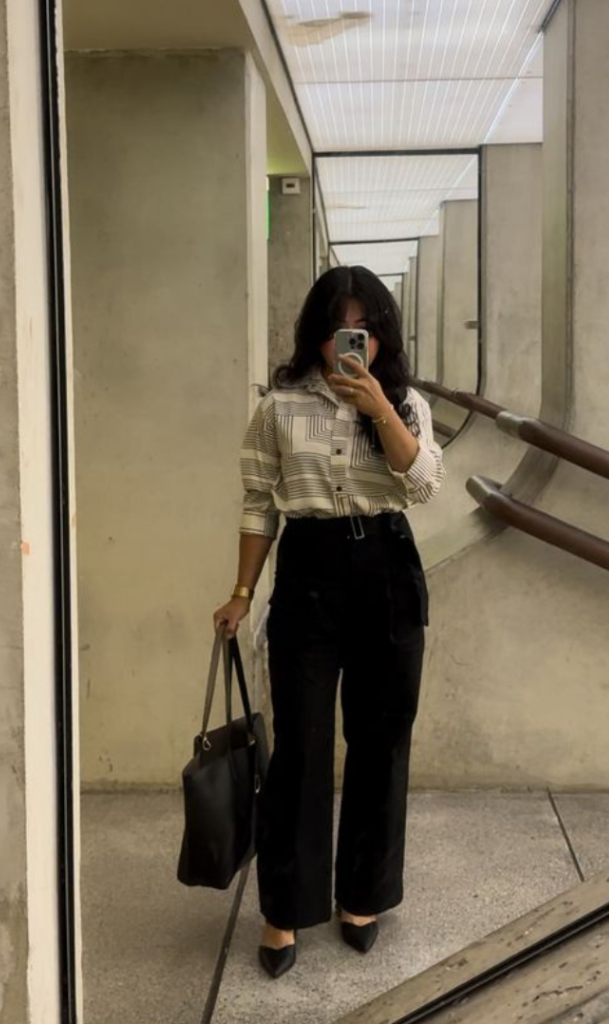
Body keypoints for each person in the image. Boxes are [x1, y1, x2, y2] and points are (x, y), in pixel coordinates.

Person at [212, 265, 444, 979]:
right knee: (301, 748)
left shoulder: (405, 403)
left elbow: (425, 483)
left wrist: (378, 408)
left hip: (388, 568)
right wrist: (243, 592)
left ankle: (362, 898)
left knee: (381, 741)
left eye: (367, 328)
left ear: (382, 335)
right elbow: (260, 503)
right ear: (317, 333)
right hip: (310, 572)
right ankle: (284, 909)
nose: (355, 341)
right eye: (342, 328)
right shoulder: (278, 408)